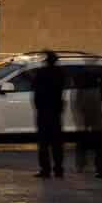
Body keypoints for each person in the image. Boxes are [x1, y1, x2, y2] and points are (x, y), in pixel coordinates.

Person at [29, 50, 69, 178]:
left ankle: (45, 170)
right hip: (55, 111)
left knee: (44, 143)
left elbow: (35, 88)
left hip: (44, 111)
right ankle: (58, 169)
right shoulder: (60, 73)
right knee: (57, 143)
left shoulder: (42, 73)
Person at [70, 70, 102, 174]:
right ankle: (98, 166)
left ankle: (80, 166)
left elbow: (77, 107)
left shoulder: (80, 91)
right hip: (96, 124)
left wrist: (79, 121)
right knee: (98, 144)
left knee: (81, 145)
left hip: (83, 124)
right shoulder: (98, 91)